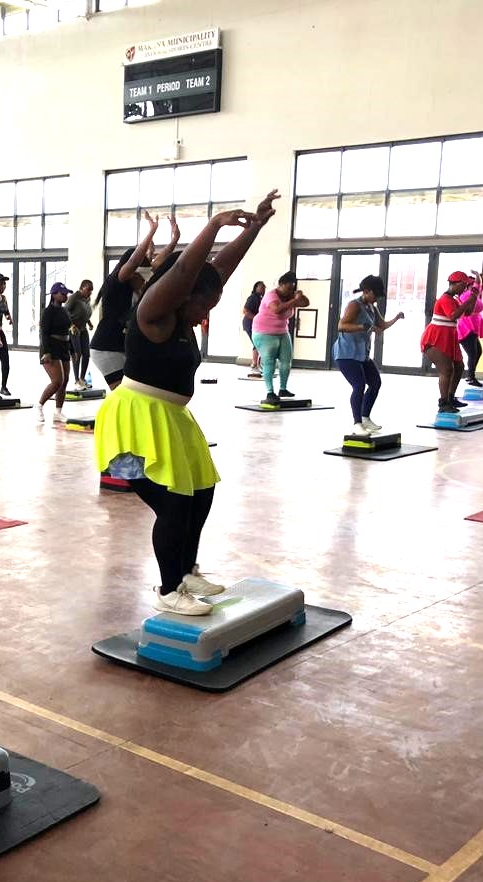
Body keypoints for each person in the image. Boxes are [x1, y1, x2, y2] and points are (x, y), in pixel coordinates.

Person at [96, 191, 279, 615]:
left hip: (172, 418)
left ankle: (186, 569)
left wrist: (254, 228)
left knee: (202, 490)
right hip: (133, 421)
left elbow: (216, 272)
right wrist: (213, 225)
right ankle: (168, 589)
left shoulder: (183, 310)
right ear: (182, 295)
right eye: (204, 304)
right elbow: (186, 270)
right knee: (175, 503)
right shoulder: (153, 312)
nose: (206, 313)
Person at [91, 213, 159, 390]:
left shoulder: (135, 290)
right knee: (124, 392)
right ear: (130, 272)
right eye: (139, 275)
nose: (143, 280)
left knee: (134, 390)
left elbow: (156, 264)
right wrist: (151, 232)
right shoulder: (117, 281)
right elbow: (134, 260)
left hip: (120, 346)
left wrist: (174, 240)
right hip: (105, 347)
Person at [334, 276, 402, 435]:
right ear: (366, 291)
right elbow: (341, 326)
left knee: (375, 383)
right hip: (346, 354)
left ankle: (365, 417)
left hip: (361, 354)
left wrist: (396, 318)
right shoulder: (354, 305)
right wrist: (362, 326)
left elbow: (382, 325)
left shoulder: (372, 307)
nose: (377, 298)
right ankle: (357, 424)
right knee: (359, 385)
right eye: (375, 294)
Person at [422, 271, 478, 413]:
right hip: (437, 337)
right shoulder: (445, 299)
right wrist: (468, 301)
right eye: (463, 285)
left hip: (449, 336)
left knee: (459, 367)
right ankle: (443, 403)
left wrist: (474, 297)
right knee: (446, 370)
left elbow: (467, 312)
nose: (465, 288)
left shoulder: (455, 299)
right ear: (455, 284)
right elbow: (453, 315)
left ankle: (450, 397)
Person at [253, 271, 306, 404]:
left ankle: (283, 388)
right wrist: (294, 300)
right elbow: (276, 309)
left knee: (286, 361)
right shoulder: (271, 295)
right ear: (281, 284)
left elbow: (305, 303)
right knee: (269, 361)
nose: (290, 291)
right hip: (264, 332)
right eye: (288, 288)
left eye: (292, 288)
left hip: (282, 331)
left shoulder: (290, 296)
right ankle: (270, 392)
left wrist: (300, 295)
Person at [37, 281, 73, 423]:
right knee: (57, 381)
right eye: (62, 293)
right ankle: (39, 406)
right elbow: (44, 333)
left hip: (64, 347)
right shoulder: (48, 312)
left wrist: (73, 350)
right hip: (51, 348)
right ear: (54, 294)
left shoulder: (64, 311)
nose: (65, 296)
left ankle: (58, 412)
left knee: (65, 381)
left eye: (66, 294)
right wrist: (46, 352)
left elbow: (67, 331)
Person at [457, 270, 483, 386]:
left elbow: (481, 285)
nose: (477, 286)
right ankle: (471, 377)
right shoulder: (466, 296)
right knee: (473, 353)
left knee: (478, 352)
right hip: (465, 329)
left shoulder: (475, 295)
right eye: (474, 284)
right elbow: (478, 285)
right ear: (469, 286)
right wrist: (477, 276)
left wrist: (479, 277)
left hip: (473, 328)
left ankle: (471, 375)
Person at [65, 280, 94, 389]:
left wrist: (90, 323)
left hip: (83, 329)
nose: (90, 292)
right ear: (81, 288)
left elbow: (85, 313)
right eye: (88, 290)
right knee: (77, 353)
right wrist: (71, 325)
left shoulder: (87, 298)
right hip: (74, 329)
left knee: (86, 354)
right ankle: (76, 380)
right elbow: (66, 310)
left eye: (91, 290)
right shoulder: (74, 298)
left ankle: (82, 379)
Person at [242, 280, 265, 376]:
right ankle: (254, 364)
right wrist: (256, 318)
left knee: (259, 343)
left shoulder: (262, 298)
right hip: (249, 323)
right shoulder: (252, 298)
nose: (263, 289)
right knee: (257, 343)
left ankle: (256, 364)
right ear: (255, 288)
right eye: (261, 287)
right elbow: (245, 311)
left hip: (257, 324)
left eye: (264, 287)